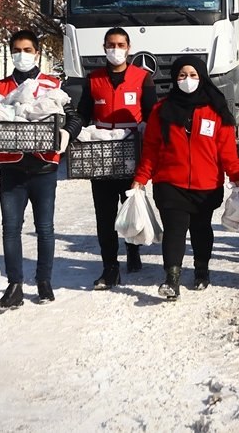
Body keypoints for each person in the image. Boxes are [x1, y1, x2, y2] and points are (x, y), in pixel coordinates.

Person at [132, 56, 239, 300]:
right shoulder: (161, 111)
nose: (187, 80)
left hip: (206, 184)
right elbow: (151, 150)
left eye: (193, 75)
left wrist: (236, 176)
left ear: (202, 77)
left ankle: (201, 269)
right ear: (175, 79)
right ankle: (172, 279)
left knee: (201, 229)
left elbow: (227, 150)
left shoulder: (217, 111)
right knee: (174, 230)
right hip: (170, 183)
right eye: (182, 75)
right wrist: (141, 178)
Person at [0, 29, 82, 309]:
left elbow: (74, 117)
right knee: (10, 229)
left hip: (44, 167)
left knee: (45, 228)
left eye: (27, 50)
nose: (22, 55)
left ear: (37, 53)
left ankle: (44, 281)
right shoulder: (0, 87)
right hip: (11, 168)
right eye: (17, 50)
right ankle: (14, 285)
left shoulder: (52, 85)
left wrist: (66, 133)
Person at [78, 27, 157, 289]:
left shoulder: (142, 78)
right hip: (101, 155)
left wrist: (149, 136)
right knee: (105, 215)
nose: (116, 49)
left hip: (131, 154)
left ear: (129, 48)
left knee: (130, 207)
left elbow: (152, 115)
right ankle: (110, 267)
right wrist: (73, 131)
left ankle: (133, 250)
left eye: (121, 45)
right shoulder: (94, 79)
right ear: (104, 48)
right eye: (111, 45)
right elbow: (83, 114)